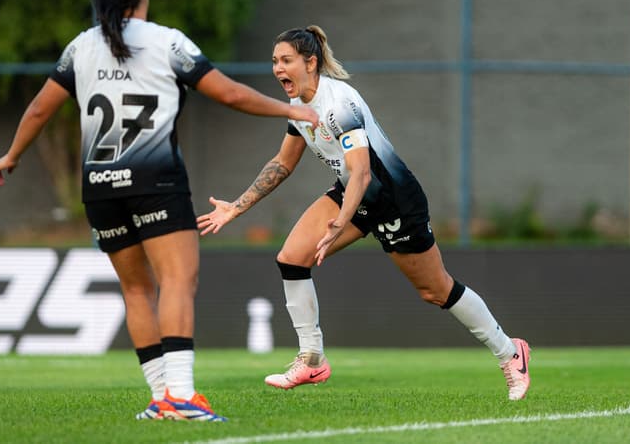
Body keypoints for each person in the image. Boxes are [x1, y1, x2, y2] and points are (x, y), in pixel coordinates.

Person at [0, 0, 318, 421]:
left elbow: (41, 109)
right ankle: (180, 396)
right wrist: (291, 111)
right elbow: (229, 93)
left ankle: (161, 396)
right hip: (155, 181)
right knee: (178, 280)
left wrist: (12, 155)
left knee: (136, 290)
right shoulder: (167, 42)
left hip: (99, 185)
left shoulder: (82, 47)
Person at [197, 25, 531, 401]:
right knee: (291, 259)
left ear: (311, 62)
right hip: (354, 195)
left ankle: (510, 352)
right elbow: (283, 163)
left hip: (393, 199)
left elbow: (362, 171)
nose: (278, 69)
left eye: (286, 60)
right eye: (274, 61)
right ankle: (311, 358)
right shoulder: (300, 109)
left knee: (435, 290)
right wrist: (235, 207)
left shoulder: (339, 104)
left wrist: (341, 222)